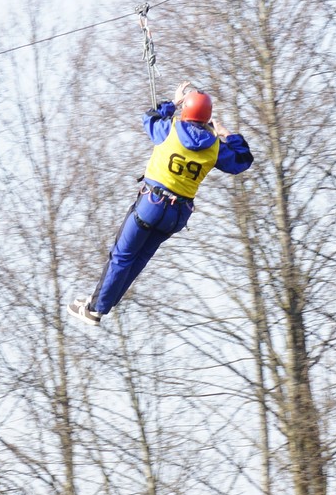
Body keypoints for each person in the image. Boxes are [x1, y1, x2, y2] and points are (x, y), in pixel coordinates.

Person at [67, 82, 254, 326]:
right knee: (138, 260)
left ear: (185, 111)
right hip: (176, 217)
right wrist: (226, 134)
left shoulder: (170, 129)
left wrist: (173, 102)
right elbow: (243, 160)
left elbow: (150, 116)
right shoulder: (216, 148)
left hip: (151, 205)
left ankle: (95, 308)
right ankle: (102, 304)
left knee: (122, 257)